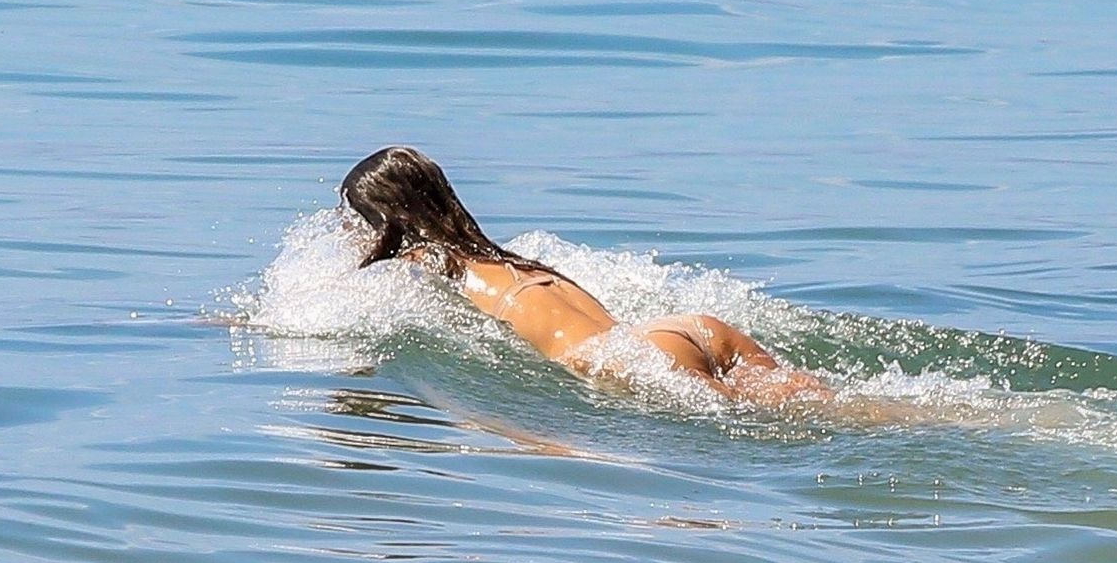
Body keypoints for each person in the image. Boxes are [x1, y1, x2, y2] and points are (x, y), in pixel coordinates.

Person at [339, 147, 830, 405]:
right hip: (683, 331)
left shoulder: (424, 264)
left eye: (353, 221)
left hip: (624, 362)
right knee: (836, 410)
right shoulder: (511, 259)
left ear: (385, 221)